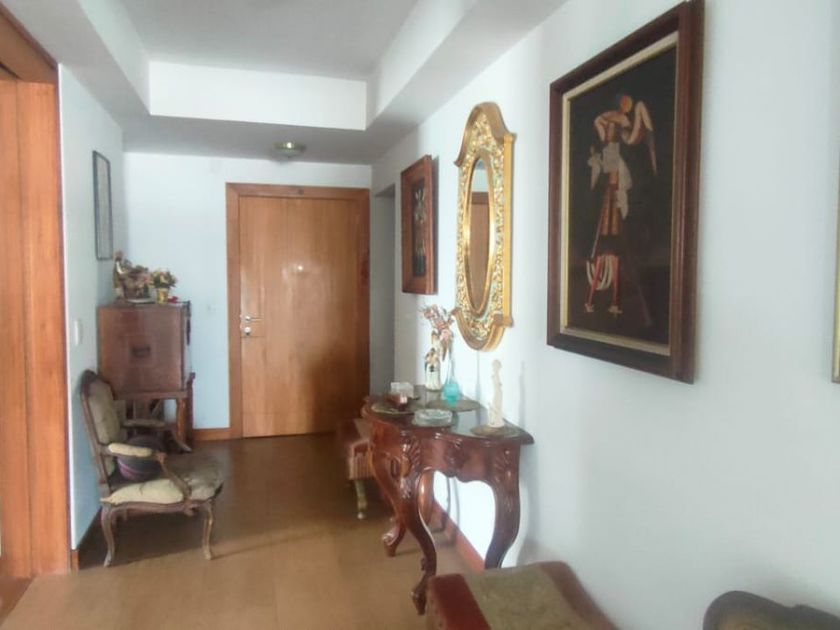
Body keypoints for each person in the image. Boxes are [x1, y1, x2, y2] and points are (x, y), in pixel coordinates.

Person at [584, 93, 656, 317]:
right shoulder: (615, 123)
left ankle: (618, 300)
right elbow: (602, 127)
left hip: (614, 171)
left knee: (615, 192)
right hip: (611, 171)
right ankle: (608, 300)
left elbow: (623, 138)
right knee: (612, 189)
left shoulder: (620, 124)